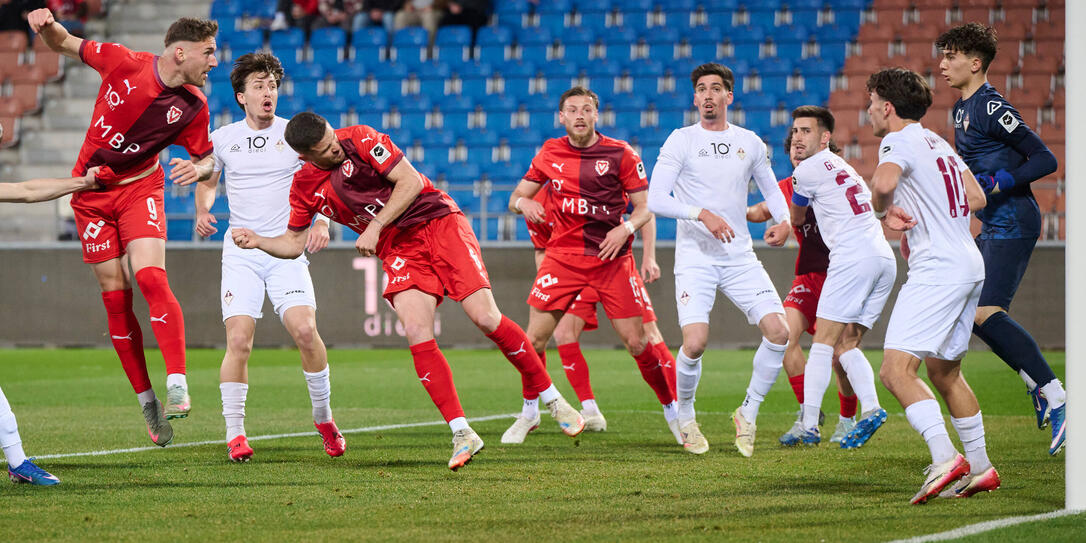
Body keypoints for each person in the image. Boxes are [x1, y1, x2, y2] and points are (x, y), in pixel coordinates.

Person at [232, 112, 585, 470]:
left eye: (333, 138)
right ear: (306, 156)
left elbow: (411, 181)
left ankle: (553, 399)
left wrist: (375, 226)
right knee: (416, 331)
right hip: (400, 249)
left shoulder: (362, 139)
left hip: (438, 221)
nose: (336, 147)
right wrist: (259, 241)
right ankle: (462, 432)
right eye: (326, 149)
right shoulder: (304, 187)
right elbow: (294, 243)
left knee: (485, 317)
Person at [29, 9, 219, 447]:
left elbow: (208, 160)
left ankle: (177, 381)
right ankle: (148, 401)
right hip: (92, 195)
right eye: (208, 53)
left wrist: (199, 167)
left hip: (140, 189)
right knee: (117, 298)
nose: (213, 62)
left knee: (151, 276)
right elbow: (64, 43)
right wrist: (47, 24)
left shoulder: (194, 107)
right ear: (180, 51)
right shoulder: (121, 60)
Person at [503, 87, 680, 446]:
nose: (579, 115)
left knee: (638, 341)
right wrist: (525, 205)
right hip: (563, 257)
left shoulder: (620, 153)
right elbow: (515, 198)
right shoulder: (549, 152)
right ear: (561, 117)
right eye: (572, 109)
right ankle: (529, 412)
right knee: (533, 338)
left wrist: (626, 228)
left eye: (587, 109)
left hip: (610, 259)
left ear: (597, 115)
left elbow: (645, 208)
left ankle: (675, 412)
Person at [199, 53, 344, 463]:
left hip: (285, 247)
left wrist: (321, 222)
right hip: (242, 249)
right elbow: (209, 180)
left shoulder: (295, 136)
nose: (269, 92)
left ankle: (324, 418)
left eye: (273, 85)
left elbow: (324, 179)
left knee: (304, 330)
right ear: (241, 95)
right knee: (239, 340)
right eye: (259, 86)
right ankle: (235, 434)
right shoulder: (222, 137)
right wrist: (202, 209)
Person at [867, 67, 1000, 503]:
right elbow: (977, 197)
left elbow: (883, 183)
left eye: (871, 102)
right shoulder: (938, 142)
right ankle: (980, 468)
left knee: (894, 371)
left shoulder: (897, 140)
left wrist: (882, 211)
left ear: (887, 107)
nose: (869, 110)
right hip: (968, 263)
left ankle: (946, 458)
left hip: (938, 267)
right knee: (945, 371)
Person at [647, 63, 792, 457]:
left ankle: (748, 413)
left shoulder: (750, 142)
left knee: (780, 333)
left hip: (739, 256)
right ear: (694, 98)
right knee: (695, 343)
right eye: (701, 89)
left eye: (716, 88)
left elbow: (772, 190)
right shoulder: (681, 140)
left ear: (730, 96)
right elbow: (656, 199)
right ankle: (687, 416)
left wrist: (785, 221)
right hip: (695, 258)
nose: (708, 95)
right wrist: (702, 214)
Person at [936, 23, 1065, 455]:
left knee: (987, 309)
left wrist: (1000, 181)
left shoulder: (992, 107)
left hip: (1014, 218)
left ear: (975, 63)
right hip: (992, 222)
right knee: (972, 307)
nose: (942, 65)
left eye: (950, 56)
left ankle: (1055, 392)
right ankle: (1037, 382)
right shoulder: (960, 109)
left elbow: (1045, 158)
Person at [785, 106, 893, 448]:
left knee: (822, 344)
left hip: (851, 257)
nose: (798, 137)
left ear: (825, 137)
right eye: (795, 131)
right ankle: (872, 407)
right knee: (846, 343)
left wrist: (783, 222)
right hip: (882, 257)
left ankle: (809, 424)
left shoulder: (805, 173)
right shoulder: (845, 167)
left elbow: (798, 216)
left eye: (806, 131)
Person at [747, 134, 859, 445]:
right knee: (783, 337)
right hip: (808, 278)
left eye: (803, 154)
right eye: (794, 156)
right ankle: (807, 415)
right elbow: (759, 211)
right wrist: (726, 209)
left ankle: (848, 419)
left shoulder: (841, 180)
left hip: (840, 274)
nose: (799, 162)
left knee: (840, 354)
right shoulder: (787, 186)